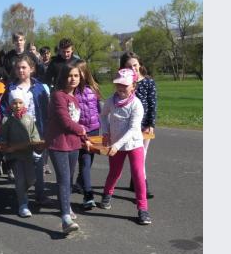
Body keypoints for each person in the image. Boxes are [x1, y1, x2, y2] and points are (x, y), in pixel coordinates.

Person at [97, 68, 152, 225]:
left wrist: (117, 144)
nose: (121, 88)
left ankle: (142, 209)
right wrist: (106, 132)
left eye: (125, 85)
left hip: (134, 144)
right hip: (116, 145)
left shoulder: (136, 105)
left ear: (133, 86)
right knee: (114, 172)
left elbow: (134, 129)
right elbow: (102, 116)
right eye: (118, 85)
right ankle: (107, 195)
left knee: (138, 175)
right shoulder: (110, 101)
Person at [0, 54, 50, 215]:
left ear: (32, 69)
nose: (21, 70)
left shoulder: (40, 87)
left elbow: (46, 108)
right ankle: (23, 201)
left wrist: (47, 131)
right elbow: (3, 109)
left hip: (38, 132)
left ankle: (39, 195)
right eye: (18, 67)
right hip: (18, 135)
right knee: (21, 171)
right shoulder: (11, 88)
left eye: (24, 67)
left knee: (38, 168)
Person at [45, 62, 92, 234]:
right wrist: (82, 130)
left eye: (76, 76)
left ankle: (66, 205)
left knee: (69, 179)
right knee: (64, 179)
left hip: (73, 144)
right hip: (58, 143)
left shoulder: (75, 97)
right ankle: (65, 218)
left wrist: (84, 138)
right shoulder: (58, 96)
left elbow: (76, 123)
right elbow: (66, 122)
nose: (73, 79)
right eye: (70, 75)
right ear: (63, 77)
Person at [0, 89, 44, 219]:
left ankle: (21, 191)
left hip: (28, 155)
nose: (17, 106)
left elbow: (35, 136)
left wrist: (37, 145)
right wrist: (4, 146)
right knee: (20, 179)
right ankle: (23, 205)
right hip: (14, 156)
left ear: (25, 104)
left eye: (20, 103)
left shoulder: (29, 119)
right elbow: (2, 137)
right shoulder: (7, 120)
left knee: (31, 179)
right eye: (14, 103)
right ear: (10, 105)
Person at [120, 52, 157, 199]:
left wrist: (151, 124)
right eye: (129, 66)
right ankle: (137, 181)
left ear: (140, 64)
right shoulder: (123, 83)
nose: (133, 68)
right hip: (127, 126)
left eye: (135, 65)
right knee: (133, 157)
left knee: (142, 157)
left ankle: (141, 185)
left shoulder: (148, 82)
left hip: (143, 127)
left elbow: (153, 105)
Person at [72, 60, 103, 209]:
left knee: (89, 162)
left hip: (94, 130)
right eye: (74, 74)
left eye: (79, 73)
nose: (77, 77)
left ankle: (80, 182)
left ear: (85, 72)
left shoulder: (94, 88)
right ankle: (88, 196)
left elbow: (100, 110)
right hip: (80, 131)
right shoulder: (72, 91)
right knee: (84, 161)